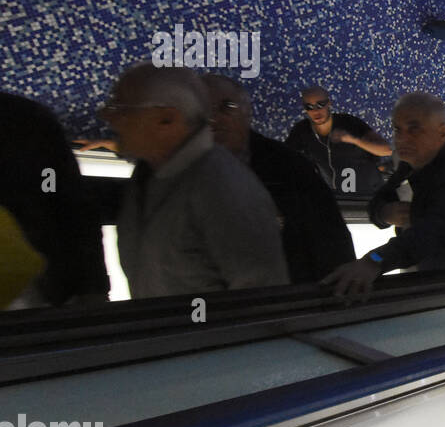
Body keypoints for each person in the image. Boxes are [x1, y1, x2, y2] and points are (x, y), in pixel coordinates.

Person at [104, 62, 288, 298]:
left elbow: (261, 301)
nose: (108, 117)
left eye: (122, 109)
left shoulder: (222, 185)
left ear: (167, 119)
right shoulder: (147, 175)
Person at [324, 94, 445, 299]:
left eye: (414, 128)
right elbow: (377, 204)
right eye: (397, 129)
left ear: (442, 132)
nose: (402, 138)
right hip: (425, 285)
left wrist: (375, 260)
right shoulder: (407, 168)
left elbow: (435, 232)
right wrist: (385, 213)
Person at [201, 75, 354, 285]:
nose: (213, 118)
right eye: (202, 109)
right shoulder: (171, 171)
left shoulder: (290, 168)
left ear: (248, 111)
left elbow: (332, 246)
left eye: (227, 106)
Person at [1, 92, 109, 307]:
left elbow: (72, 207)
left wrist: (92, 288)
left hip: (39, 286)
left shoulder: (26, 120)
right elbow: (72, 206)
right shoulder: (26, 117)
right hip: (41, 285)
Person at [285, 86, 391, 196]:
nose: (316, 110)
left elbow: (386, 150)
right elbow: (284, 159)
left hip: (368, 196)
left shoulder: (349, 123)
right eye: (309, 106)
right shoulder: (302, 130)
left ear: (329, 103)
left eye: (320, 104)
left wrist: (353, 140)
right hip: (337, 199)